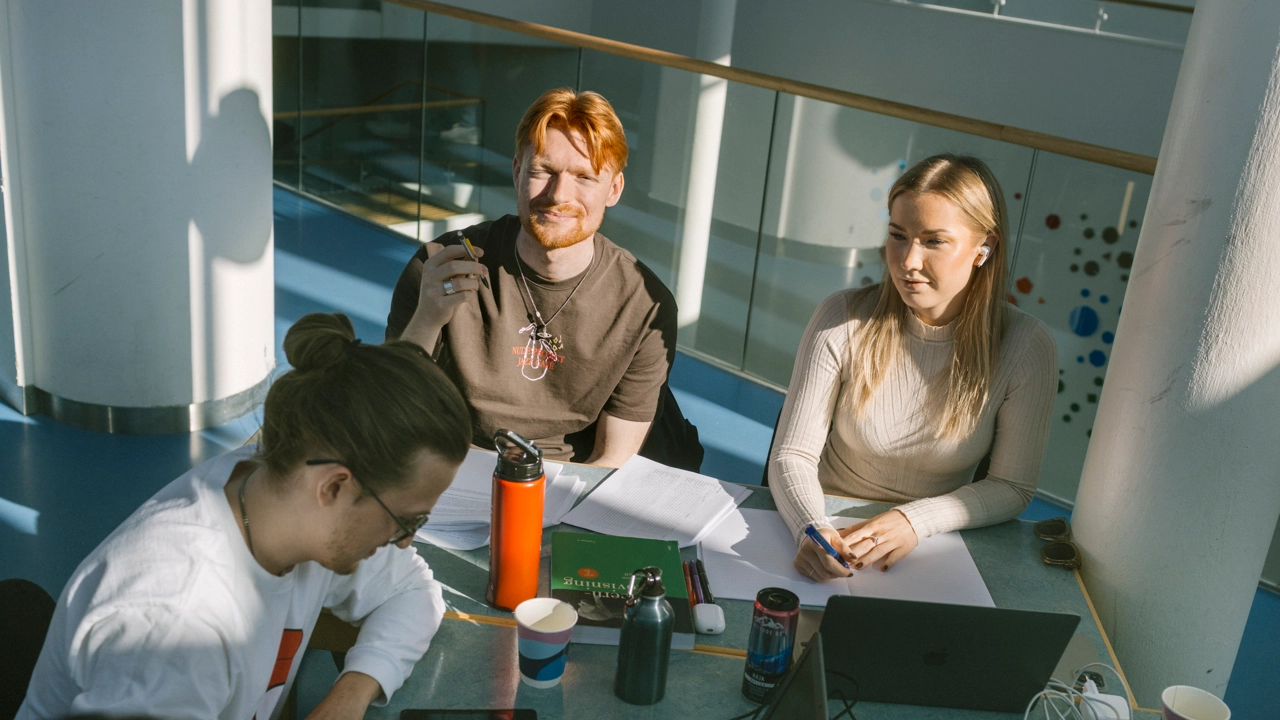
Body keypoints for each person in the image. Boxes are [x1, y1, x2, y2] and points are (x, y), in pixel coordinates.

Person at [17, 313, 471, 720]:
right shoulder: (176, 623)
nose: (406, 541)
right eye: (406, 520)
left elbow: (414, 589)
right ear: (334, 486)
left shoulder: (286, 494)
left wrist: (350, 693)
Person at [771, 154, 1058, 582]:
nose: (907, 261)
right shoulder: (841, 317)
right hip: (829, 529)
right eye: (898, 235)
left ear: (985, 248)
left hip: (930, 548)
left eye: (934, 241)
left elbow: (1013, 487)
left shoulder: (1026, 346)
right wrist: (811, 529)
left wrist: (914, 520)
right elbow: (792, 454)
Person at [386, 88, 695, 469]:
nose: (558, 194)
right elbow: (391, 413)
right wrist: (427, 317)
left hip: (566, 485)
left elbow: (611, 460)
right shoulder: (441, 267)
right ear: (517, 172)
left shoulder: (644, 306)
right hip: (451, 470)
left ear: (613, 190)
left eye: (585, 177)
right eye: (542, 171)